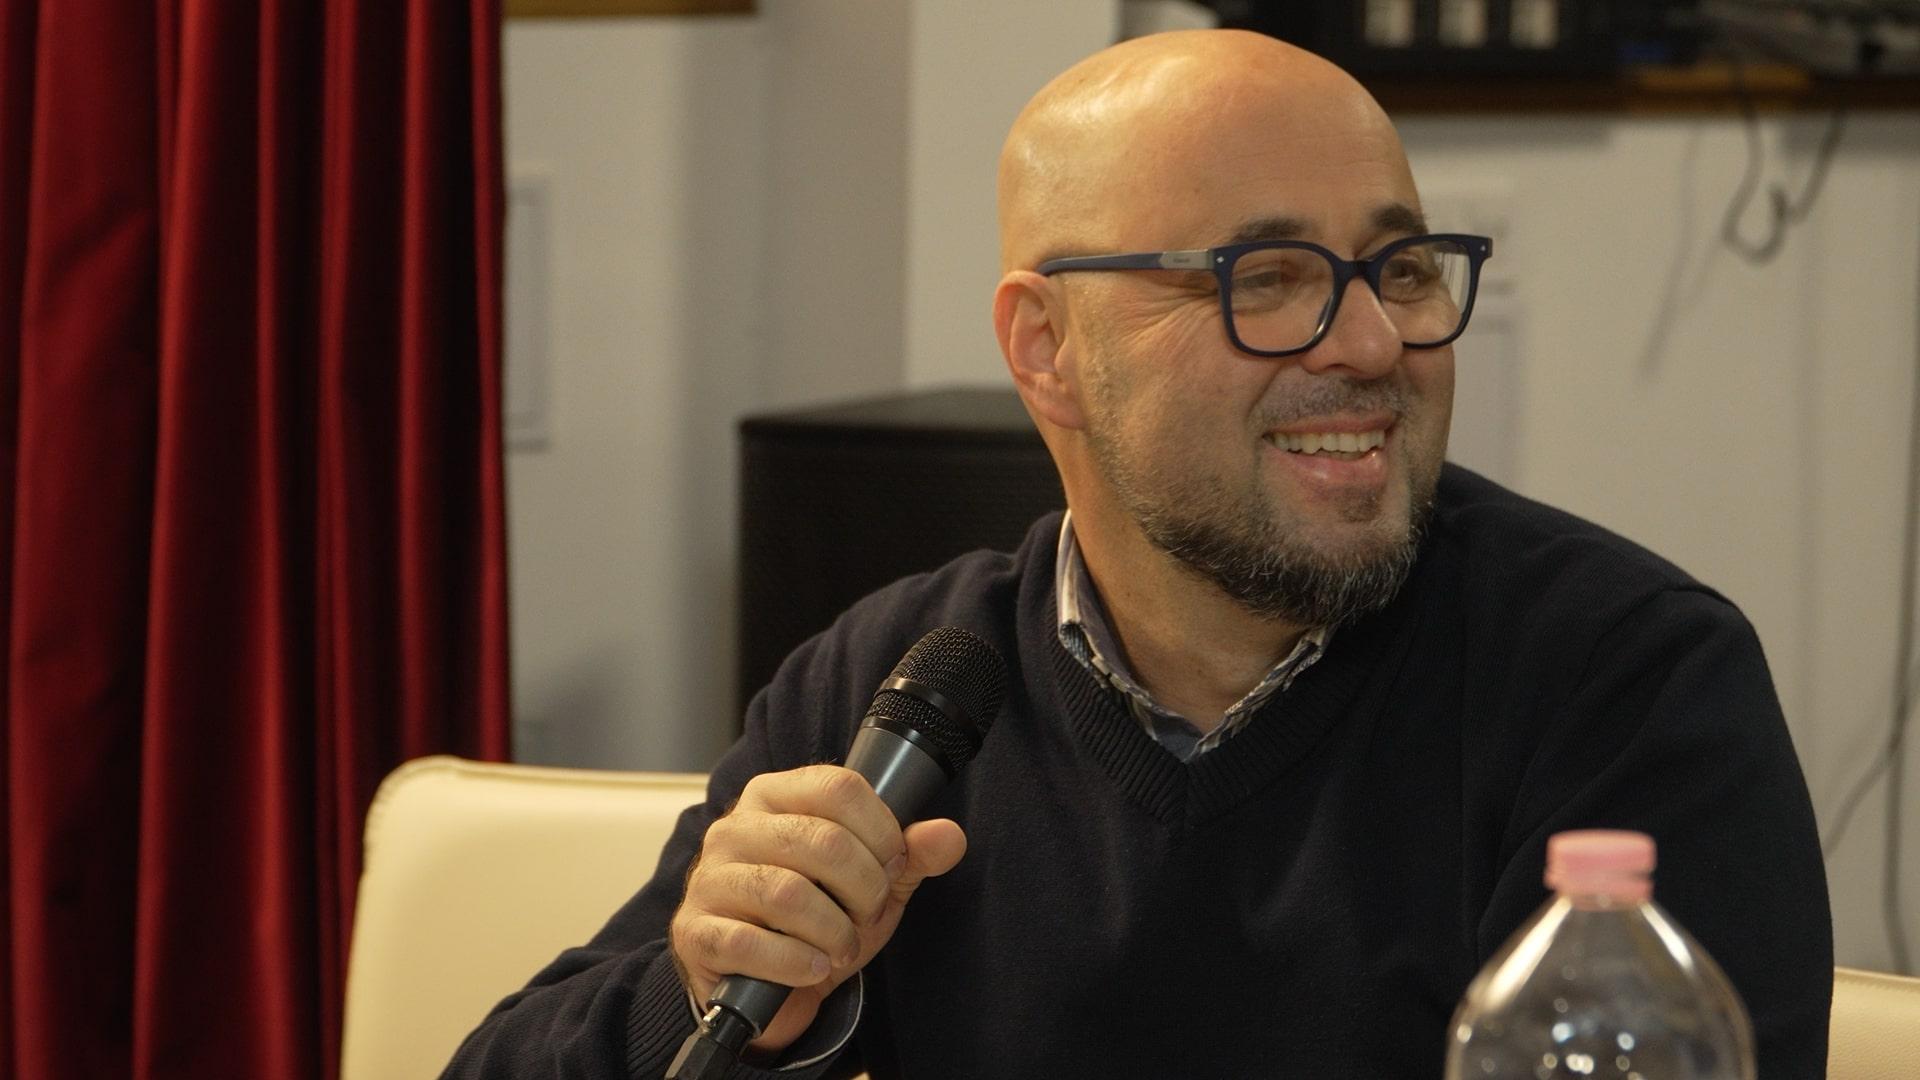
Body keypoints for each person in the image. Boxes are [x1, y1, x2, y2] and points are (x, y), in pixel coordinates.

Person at [443, 29, 1832, 1079]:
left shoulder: (1625, 684)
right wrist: (708, 987)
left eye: (1402, 269)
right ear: (1047, 348)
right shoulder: (898, 689)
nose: (1370, 343)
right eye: (1266, 279)